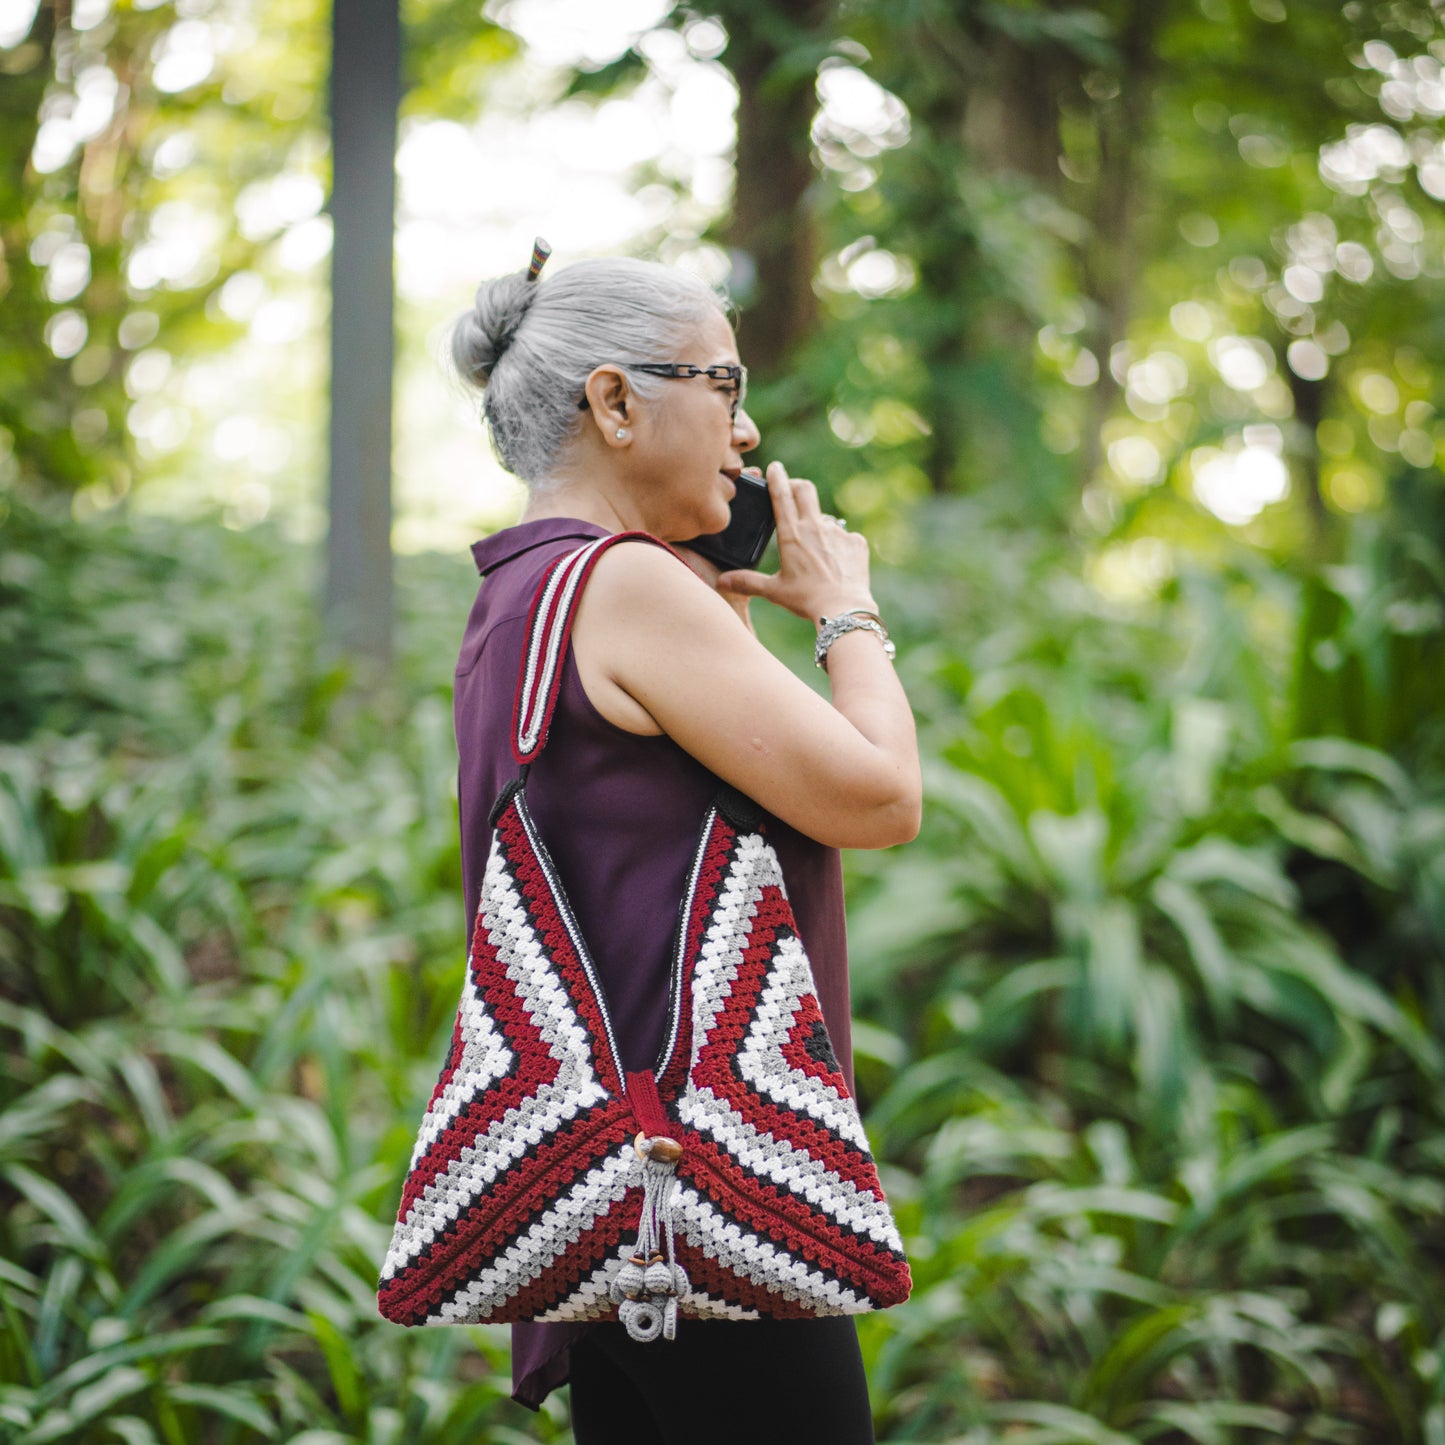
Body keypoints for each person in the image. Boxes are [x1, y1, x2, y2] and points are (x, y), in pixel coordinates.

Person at [448, 242, 922, 1445]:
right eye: (723, 383)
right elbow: (876, 799)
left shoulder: (523, 592)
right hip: (709, 1173)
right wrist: (843, 608)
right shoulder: (621, 587)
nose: (748, 430)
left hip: (606, 1177)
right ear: (613, 401)